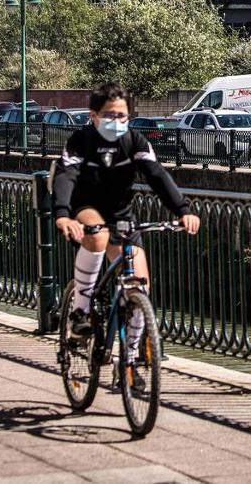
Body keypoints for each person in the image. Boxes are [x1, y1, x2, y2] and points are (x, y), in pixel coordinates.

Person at [52, 83, 201, 352]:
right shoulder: (80, 141)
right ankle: (80, 313)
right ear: (93, 116)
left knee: (139, 287)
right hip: (86, 208)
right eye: (109, 115)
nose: (116, 121)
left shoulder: (135, 142)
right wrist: (63, 214)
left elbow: (156, 175)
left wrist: (183, 210)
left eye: (121, 116)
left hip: (122, 215)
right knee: (97, 236)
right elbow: (66, 175)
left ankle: (131, 359)